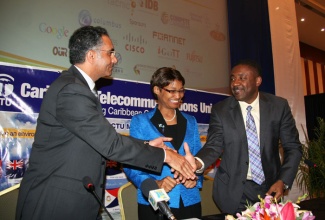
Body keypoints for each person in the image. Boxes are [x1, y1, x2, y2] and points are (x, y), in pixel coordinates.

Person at [15, 26, 196, 220]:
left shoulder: (78, 88)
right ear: (91, 55)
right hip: (55, 204)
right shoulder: (72, 90)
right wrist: (165, 155)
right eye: (110, 53)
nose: (115, 59)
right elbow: (110, 144)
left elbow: (104, 140)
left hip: (73, 202)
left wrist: (146, 145)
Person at [191, 60, 302, 215]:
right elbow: (214, 145)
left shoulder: (278, 106)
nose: (235, 83)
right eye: (232, 78)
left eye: (242, 78)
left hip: (270, 188)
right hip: (233, 190)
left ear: (258, 81)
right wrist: (197, 163)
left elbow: (293, 147)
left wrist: (282, 181)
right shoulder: (221, 110)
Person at [124, 67, 203, 220]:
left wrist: (194, 179)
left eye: (181, 91)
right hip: (156, 202)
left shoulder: (191, 121)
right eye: (171, 91)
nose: (178, 96)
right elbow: (131, 165)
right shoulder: (141, 122)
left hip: (190, 200)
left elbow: (199, 158)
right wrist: (155, 184)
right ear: (157, 90)